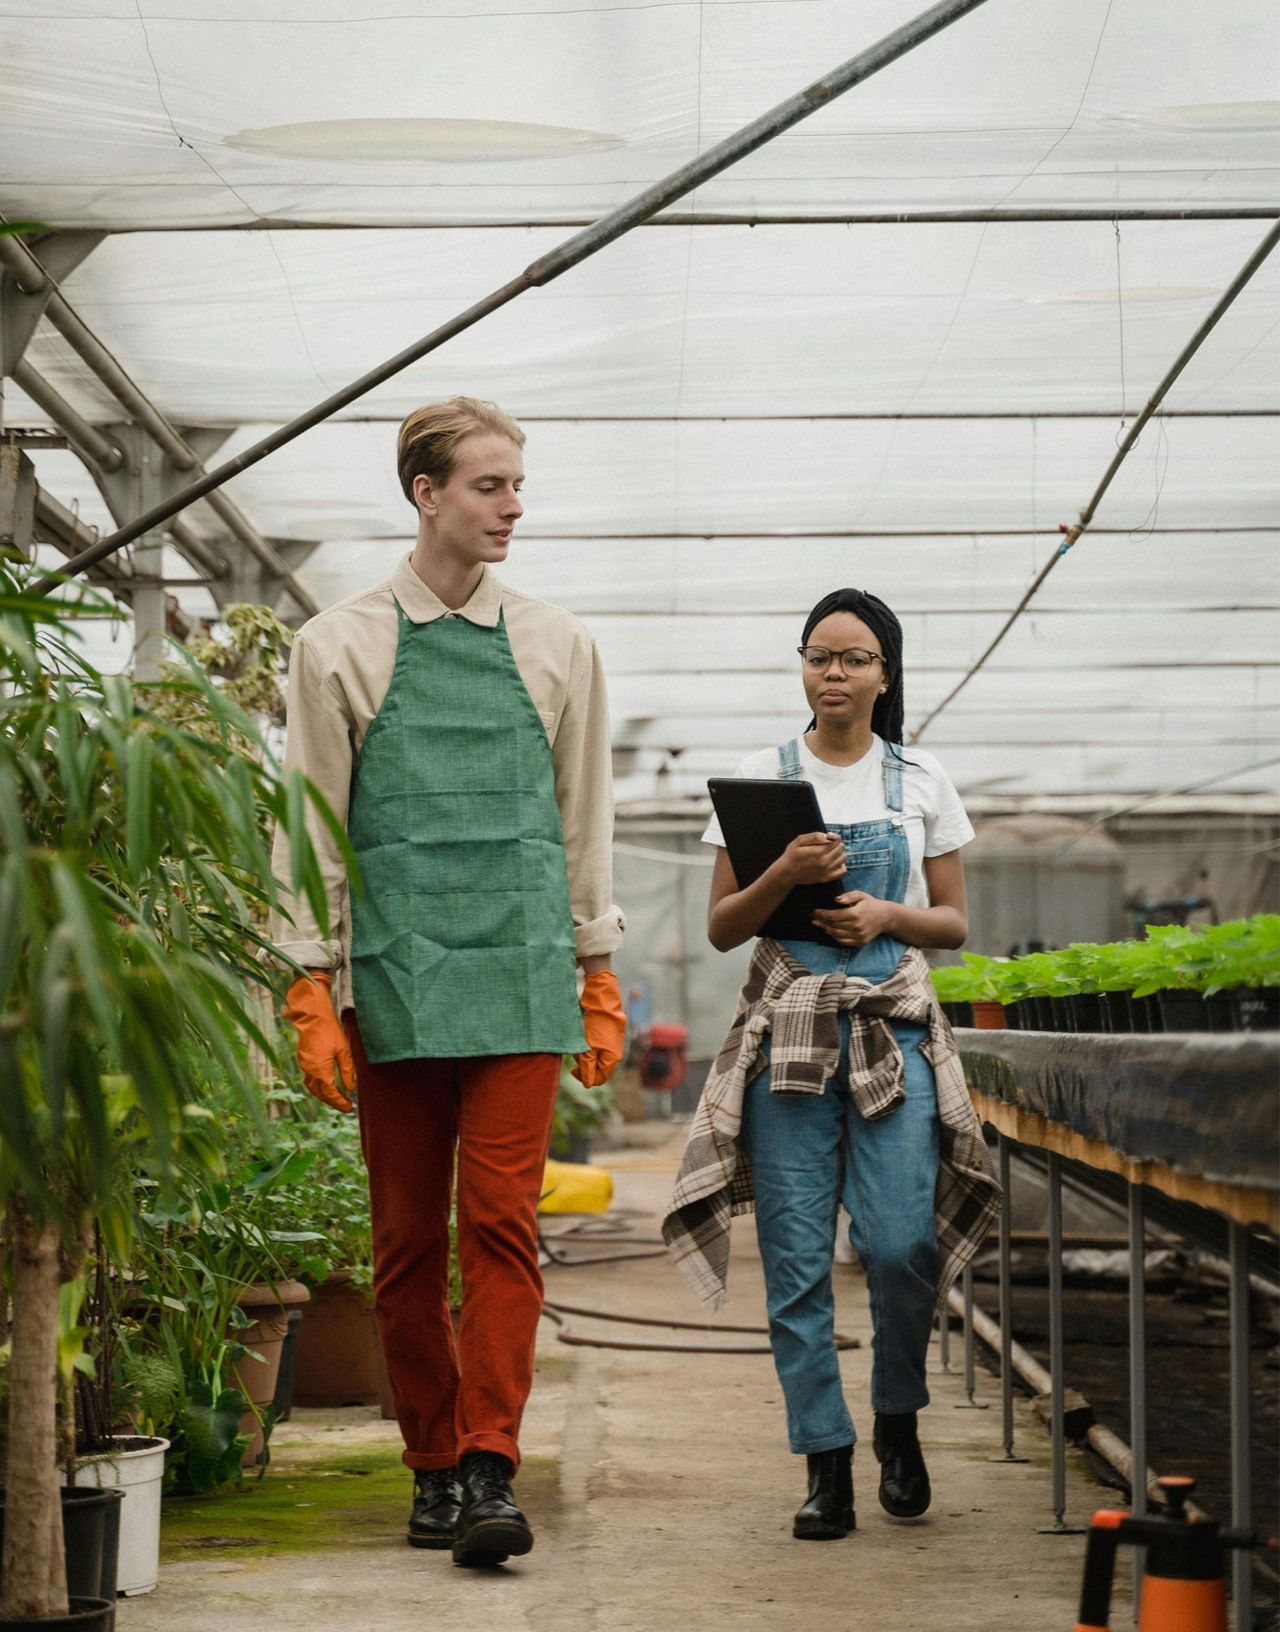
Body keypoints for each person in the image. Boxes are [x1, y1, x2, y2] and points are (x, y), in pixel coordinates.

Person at [271, 396, 626, 1568]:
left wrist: (597, 960)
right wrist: (307, 980)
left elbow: (582, 816)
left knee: (502, 1227)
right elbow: (311, 826)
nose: (512, 506)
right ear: (425, 494)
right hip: (396, 975)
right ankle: (428, 1463)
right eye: (489, 486)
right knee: (405, 1242)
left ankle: (488, 1464)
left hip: (522, 972)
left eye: (517, 485)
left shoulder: (558, 643)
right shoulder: (339, 645)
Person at [662, 589, 999, 1540]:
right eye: (820, 657)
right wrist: (786, 877)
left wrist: (887, 917)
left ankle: (897, 1418)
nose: (835, 674)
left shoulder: (920, 778)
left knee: (900, 1245)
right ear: (802, 668)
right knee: (798, 1261)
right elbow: (725, 927)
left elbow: (955, 923)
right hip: (791, 1043)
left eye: (855, 659)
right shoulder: (757, 780)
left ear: (885, 673)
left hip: (889, 1029)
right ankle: (826, 1462)